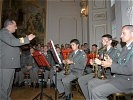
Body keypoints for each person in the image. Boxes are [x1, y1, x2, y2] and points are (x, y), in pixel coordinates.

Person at [88, 25, 133, 100]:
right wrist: (111, 62)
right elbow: (121, 64)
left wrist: (111, 64)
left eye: (123, 33)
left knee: (96, 92)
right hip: (118, 78)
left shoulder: (128, 49)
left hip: (127, 81)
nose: (121, 36)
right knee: (92, 83)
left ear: (132, 33)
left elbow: (128, 70)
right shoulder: (125, 48)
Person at [0, 19, 35, 100]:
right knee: (4, 88)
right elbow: (13, 42)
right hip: (5, 65)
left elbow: (14, 42)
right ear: (9, 25)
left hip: (10, 65)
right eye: (15, 26)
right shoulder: (3, 32)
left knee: (8, 87)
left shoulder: (8, 34)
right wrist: (27, 39)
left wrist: (25, 40)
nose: (16, 28)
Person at [78, 34, 120, 100]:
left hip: (108, 74)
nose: (102, 42)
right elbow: (99, 64)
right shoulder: (101, 51)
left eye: (104, 40)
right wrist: (93, 63)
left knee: (91, 83)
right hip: (99, 72)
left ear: (110, 41)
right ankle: (89, 98)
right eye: (102, 40)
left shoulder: (116, 51)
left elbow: (117, 65)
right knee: (81, 80)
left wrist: (108, 62)